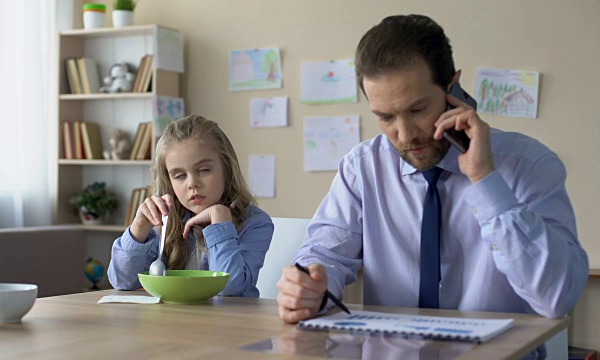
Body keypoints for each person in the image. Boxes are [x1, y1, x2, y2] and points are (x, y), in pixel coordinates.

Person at [277, 14, 588, 356]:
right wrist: (308, 285)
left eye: (418, 109)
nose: (405, 135)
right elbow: (322, 257)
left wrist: (485, 180)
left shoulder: (530, 165)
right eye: (385, 117)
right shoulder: (362, 168)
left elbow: (556, 298)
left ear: (452, 88)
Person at [109, 115, 274, 297]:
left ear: (227, 169)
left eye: (204, 170)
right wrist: (138, 229)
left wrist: (220, 223)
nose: (192, 183)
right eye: (179, 176)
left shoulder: (256, 223)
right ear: (169, 181)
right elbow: (122, 281)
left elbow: (230, 288)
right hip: (174, 322)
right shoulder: (164, 221)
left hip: (228, 323)